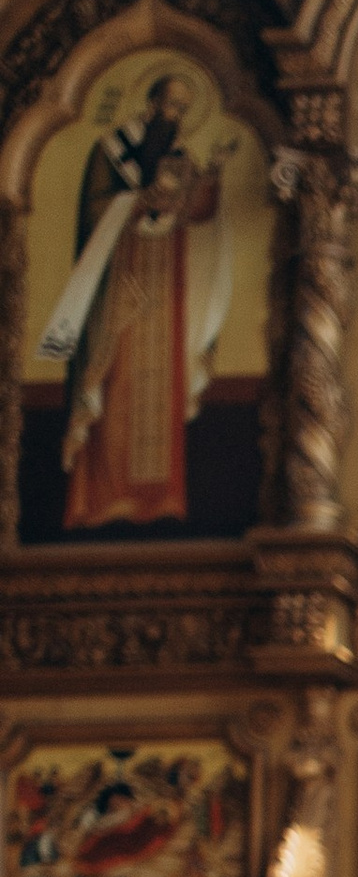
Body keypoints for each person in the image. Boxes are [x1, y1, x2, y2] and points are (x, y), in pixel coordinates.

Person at [40, 77, 234, 534]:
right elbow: (95, 210)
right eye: (169, 106)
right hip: (118, 293)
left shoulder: (180, 157)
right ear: (149, 104)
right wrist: (139, 202)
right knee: (116, 385)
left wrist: (212, 179)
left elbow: (198, 211)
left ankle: (157, 496)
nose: (174, 117)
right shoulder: (112, 150)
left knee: (159, 391)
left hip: (164, 294)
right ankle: (103, 496)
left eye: (182, 110)